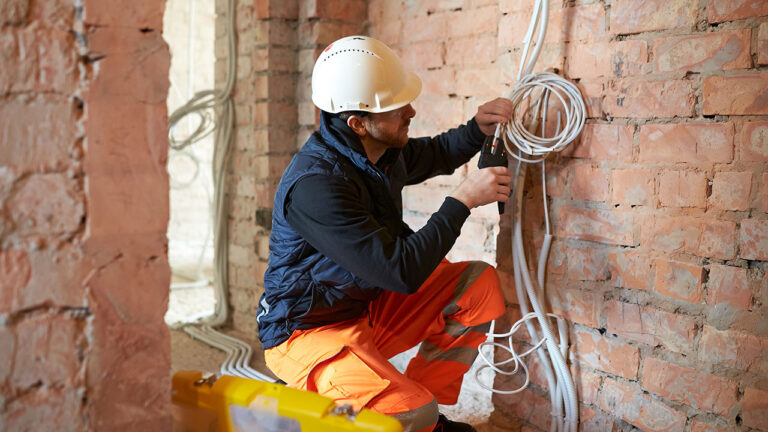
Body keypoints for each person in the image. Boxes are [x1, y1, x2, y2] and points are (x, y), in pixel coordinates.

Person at [256, 35, 513, 432]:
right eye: (397, 108)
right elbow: (401, 272)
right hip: (306, 331)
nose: (411, 110)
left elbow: (433, 153)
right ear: (358, 123)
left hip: (363, 306)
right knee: (407, 416)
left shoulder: (377, 150)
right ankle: (322, 391)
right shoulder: (315, 186)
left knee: (478, 288)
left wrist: (477, 130)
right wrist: (461, 201)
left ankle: (425, 412)